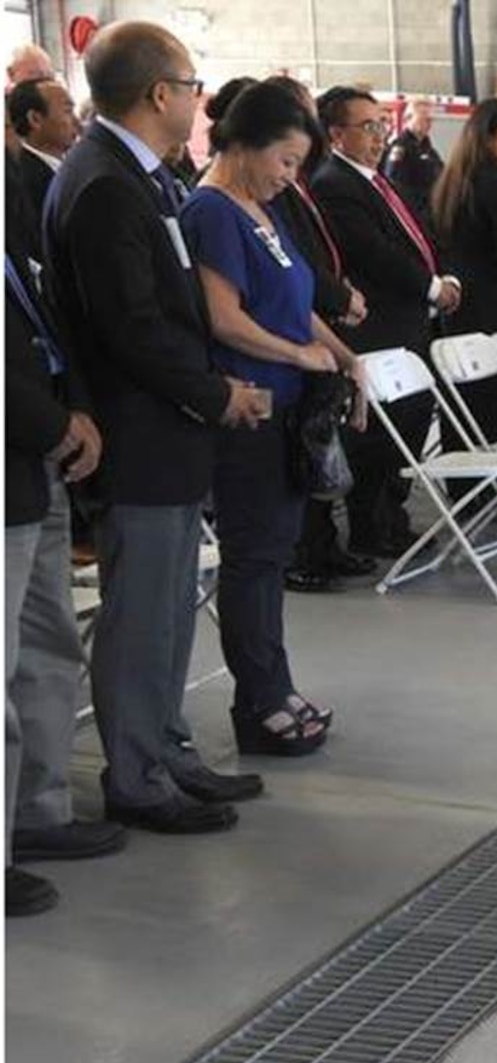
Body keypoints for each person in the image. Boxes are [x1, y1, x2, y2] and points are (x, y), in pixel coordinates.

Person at [44, 21, 271, 833]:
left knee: (171, 608)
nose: (198, 96)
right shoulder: (104, 182)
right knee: (141, 614)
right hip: (140, 434)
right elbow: (131, 329)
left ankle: (165, 748)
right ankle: (136, 776)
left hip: (166, 435)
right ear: (158, 93)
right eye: (192, 81)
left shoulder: (140, 177)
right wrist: (215, 395)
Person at [183, 81, 368, 756]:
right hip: (250, 412)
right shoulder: (212, 212)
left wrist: (347, 358)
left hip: (292, 408)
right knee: (254, 559)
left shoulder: (265, 211)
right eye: (284, 162)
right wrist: (298, 354)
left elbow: (296, 301)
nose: (289, 179)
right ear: (245, 144)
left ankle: (273, 683)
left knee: (272, 551)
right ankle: (258, 699)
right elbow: (223, 317)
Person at [6, 148, 126, 917]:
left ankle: (37, 810)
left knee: (49, 646)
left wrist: (75, 410)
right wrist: (54, 424)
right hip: (22, 448)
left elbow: (47, 320)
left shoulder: (14, 203)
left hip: (36, 466)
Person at [313, 85, 460, 558]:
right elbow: (376, 255)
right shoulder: (334, 184)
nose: (380, 136)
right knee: (379, 431)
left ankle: (391, 518)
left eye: (382, 125)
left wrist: (441, 274)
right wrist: (432, 287)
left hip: (410, 321)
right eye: (368, 127)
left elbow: (417, 232)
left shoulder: (377, 180)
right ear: (336, 134)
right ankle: (369, 526)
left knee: (412, 422)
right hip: (379, 324)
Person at [262, 75, 375, 593]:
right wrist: (334, 297)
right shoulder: (277, 187)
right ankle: (304, 552)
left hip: (321, 318)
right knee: (305, 449)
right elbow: (296, 262)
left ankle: (324, 545)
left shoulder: (300, 180)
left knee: (321, 444)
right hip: (298, 326)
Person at [431, 97, 497, 446]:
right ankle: (490, 490)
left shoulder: (453, 181)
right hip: (491, 303)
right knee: (492, 398)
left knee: (462, 395)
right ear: (489, 138)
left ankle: (466, 489)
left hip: (458, 302)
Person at [8, 77, 80, 208]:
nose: (77, 121)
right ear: (35, 119)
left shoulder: (72, 165)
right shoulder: (24, 183)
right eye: (67, 111)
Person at [383, 96, 442, 223]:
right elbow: (395, 185)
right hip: (414, 216)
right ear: (408, 119)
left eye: (430, 119)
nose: (429, 122)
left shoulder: (429, 150)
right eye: (423, 118)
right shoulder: (401, 148)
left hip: (434, 213)